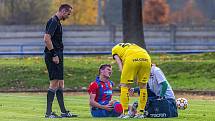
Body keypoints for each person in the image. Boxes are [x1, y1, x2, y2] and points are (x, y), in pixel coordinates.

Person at [44, 4, 77, 118]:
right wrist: (54, 54)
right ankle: (48, 113)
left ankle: (63, 112)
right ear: (63, 11)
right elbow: (46, 38)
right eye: (68, 13)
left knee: (60, 83)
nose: (68, 16)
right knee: (54, 83)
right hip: (53, 55)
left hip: (58, 54)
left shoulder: (58, 22)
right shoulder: (53, 21)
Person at [112, 43, 151, 118]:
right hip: (146, 58)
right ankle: (141, 113)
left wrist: (123, 72)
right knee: (143, 86)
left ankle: (125, 113)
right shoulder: (132, 45)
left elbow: (119, 62)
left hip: (131, 59)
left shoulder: (114, 49)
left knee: (124, 86)